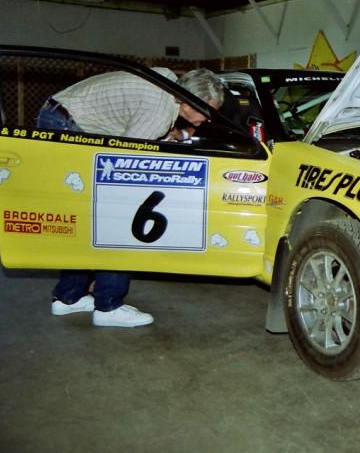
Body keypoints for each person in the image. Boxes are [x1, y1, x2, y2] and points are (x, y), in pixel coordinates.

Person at [37, 67, 226, 328]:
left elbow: (135, 127)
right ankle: (108, 305)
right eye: (207, 110)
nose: (208, 118)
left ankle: (68, 297)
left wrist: (175, 135)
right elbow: (128, 165)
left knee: (87, 218)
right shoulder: (159, 113)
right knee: (120, 217)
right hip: (69, 125)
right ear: (188, 100)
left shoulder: (168, 81)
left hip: (60, 114)